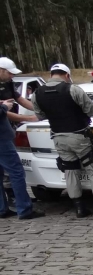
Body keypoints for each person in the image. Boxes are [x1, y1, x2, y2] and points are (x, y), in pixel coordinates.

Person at [32, 63, 93, 219]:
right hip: (79, 136)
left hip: (58, 137)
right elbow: (92, 111)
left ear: (51, 75)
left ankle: (79, 209)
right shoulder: (73, 89)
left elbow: (40, 116)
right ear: (67, 76)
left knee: (70, 171)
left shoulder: (37, 93)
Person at [0, 56, 43, 219]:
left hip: (4, 134)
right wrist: (29, 118)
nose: (12, 76)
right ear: (1, 70)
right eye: (9, 73)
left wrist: (39, 110)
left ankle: (2, 209)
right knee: (16, 172)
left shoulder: (8, 83)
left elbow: (19, 99)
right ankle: (24, 209)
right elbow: (3, 113)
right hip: (2, 137)